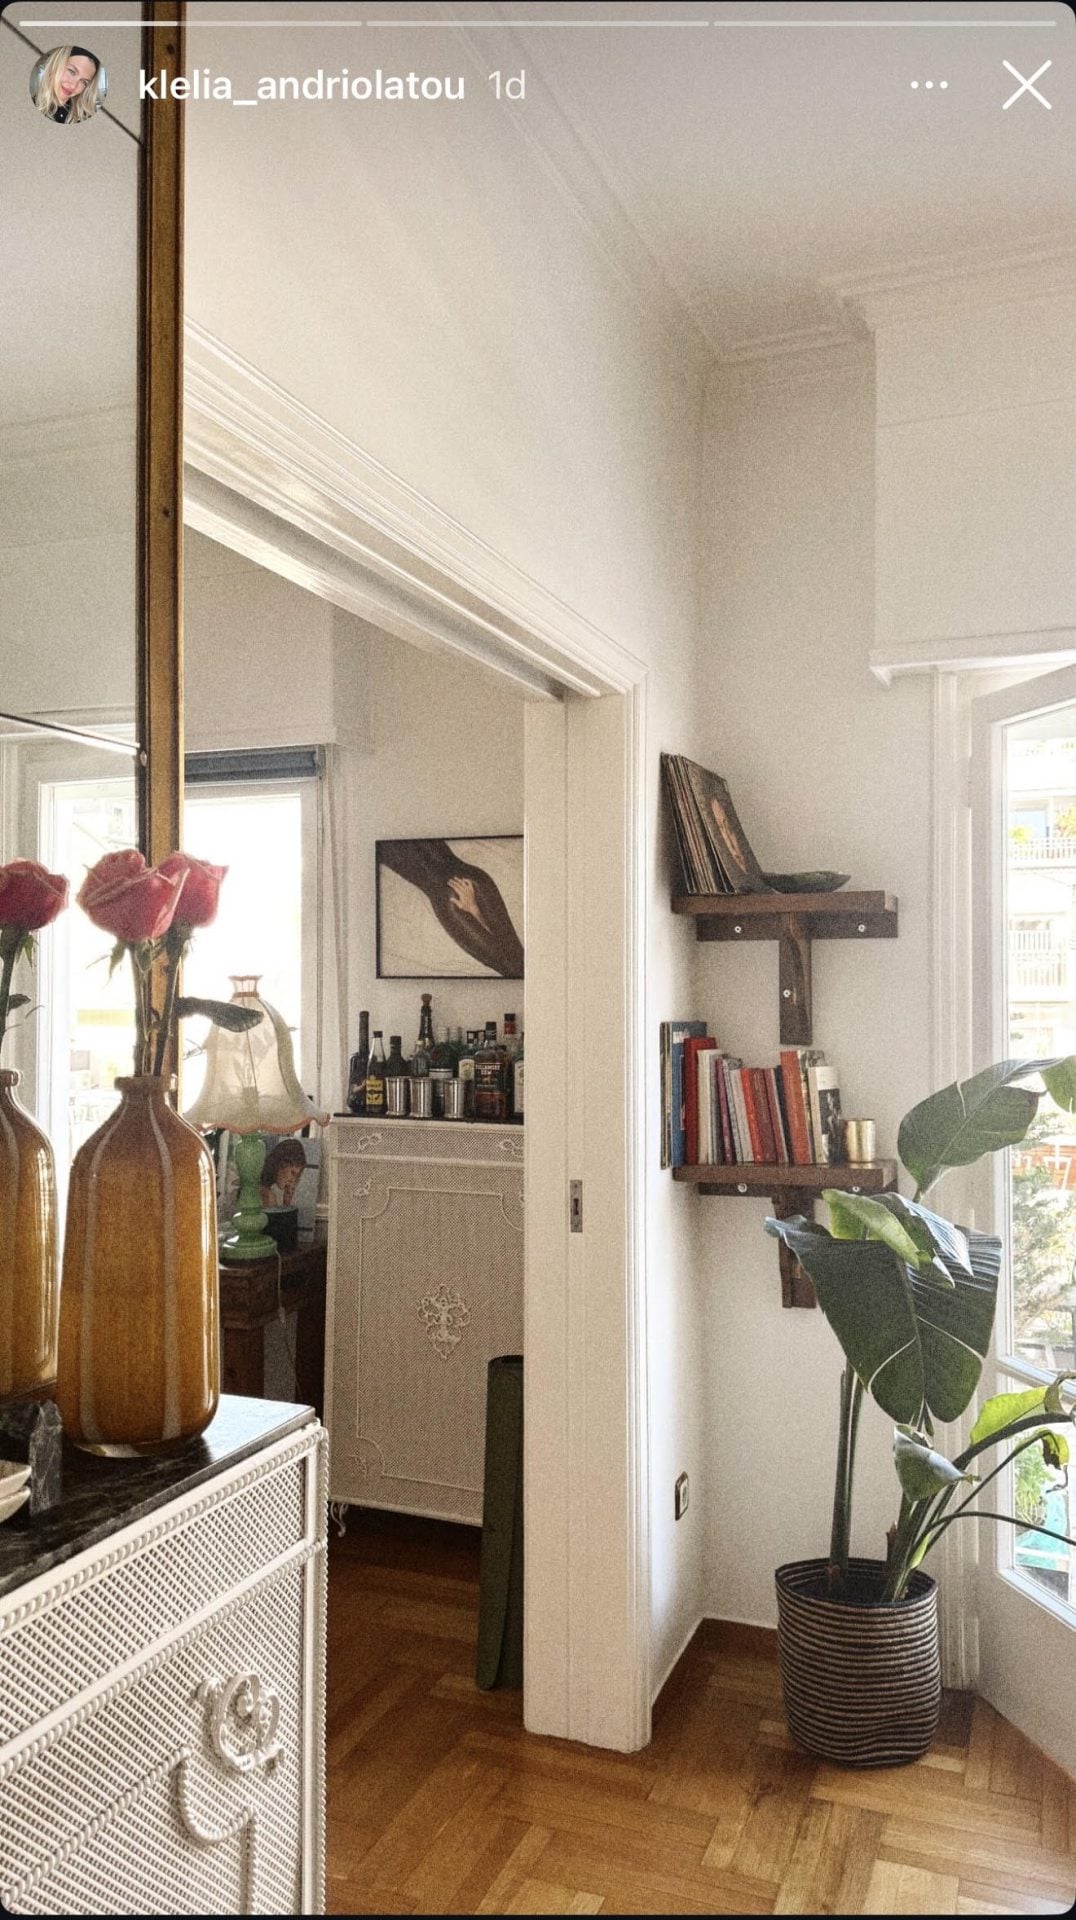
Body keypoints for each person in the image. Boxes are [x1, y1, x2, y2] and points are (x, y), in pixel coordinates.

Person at [379, 839, 524, 977]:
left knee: (455, 889)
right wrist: (475, 911)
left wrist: (475, 911)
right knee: (466, 884)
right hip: (462, 884)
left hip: (466, 882)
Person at [31, 46, 103, 125]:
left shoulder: (86, 118)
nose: (73, 86)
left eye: (83, 82)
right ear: (56, 64)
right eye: (71, 72)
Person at [260, 1137, 307, 1209]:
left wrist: (286, 1201)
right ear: (281, 1164)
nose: (293, 1180)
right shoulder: (267, 1196)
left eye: (297, 1176)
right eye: (292, 1173)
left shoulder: (264, 1185)